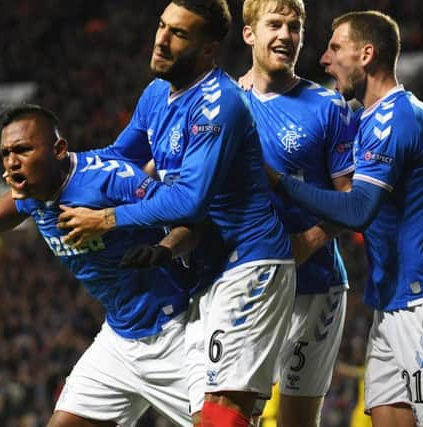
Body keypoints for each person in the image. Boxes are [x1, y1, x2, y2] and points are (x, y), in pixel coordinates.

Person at [56, 1, 296, 425]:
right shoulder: (156, 95)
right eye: (162, 26)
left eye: (179, 34)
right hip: (207, 273)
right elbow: (117, 157)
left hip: (250, 264)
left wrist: (107, 219)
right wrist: (59, 168)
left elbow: (189, 201)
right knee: (214, 415)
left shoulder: (219, 104)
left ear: (208, 50)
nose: (161, 40)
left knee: (225, 412)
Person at [276, 11, 423, 427]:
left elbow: (358, 209)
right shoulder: (370, 120)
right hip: (389, 307)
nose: (325, 60)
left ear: (366, 54)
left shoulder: (396, 116)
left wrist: (282, 183)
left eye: (335, 48)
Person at [0, 104, 205, 427]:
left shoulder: (110, 179)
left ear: (59, 150)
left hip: (175, 331)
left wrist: (163, 250)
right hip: (119, 338)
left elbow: (190, 221)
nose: (12, 162)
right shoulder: (33, 185)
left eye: (23, 150)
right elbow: (17, 202)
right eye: (5, 153)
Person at [239, 1, 357, 426]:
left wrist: (308, 241)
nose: (286, 35)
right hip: (244, 286)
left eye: (295, 26)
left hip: (315, 287)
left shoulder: (329, 107)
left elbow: (353, 201)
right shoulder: (224, 106)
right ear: (249, 33)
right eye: (274, 24)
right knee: (230, 415)